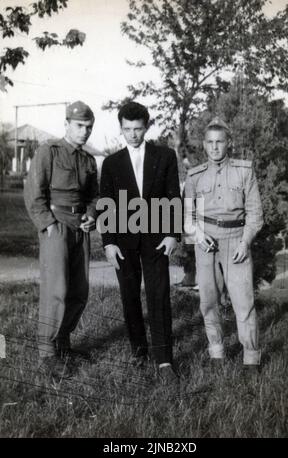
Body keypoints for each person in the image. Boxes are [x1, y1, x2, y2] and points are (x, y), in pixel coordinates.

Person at [99, 101, 181, 385]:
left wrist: (173, 234)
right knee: (130, 296)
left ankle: (164, 360)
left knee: (159, 296)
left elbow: (174, 198)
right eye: (127, 129)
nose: (133, 134)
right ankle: (139, 350)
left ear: (147, 126)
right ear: (121, 129)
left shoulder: (165, 156)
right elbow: (105, 204)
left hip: (157, 240)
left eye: (138, 128)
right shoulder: (111, 163)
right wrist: (109, 243)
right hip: (123, 241)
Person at [24, 101, 99, 378]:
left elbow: (94, 195)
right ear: (67, 124)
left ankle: (63, 342)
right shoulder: (49, 151)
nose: (84, 132)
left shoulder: (89, 160)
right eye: (80, 126)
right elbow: (34, 193)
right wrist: (48, 225)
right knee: (56, 288)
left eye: (89, 127)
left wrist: (92, 214)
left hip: (81, 226)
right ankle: (47, 352)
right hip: (57, 225)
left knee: (79, 289)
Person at [184, 117, 264, 372]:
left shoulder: (244, 171)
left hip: (236, 242)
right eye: (210, 142)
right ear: (204, 145)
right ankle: (216, 352)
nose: (215, 147)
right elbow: (187, 215)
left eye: (220, 142)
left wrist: (245, 241)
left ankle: (251, 356)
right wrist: (197, 234)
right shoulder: (194, 175)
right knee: (208, 300)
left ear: (229, 143)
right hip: (206, 243)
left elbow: (255, 213)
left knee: (244, 302)